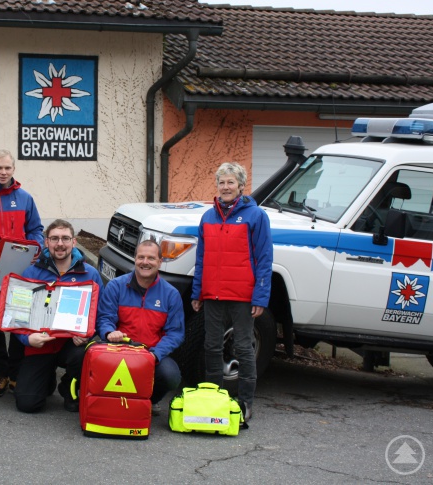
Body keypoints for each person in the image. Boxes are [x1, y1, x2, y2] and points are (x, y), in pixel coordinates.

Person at [191, 162, 272, 422]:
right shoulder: (208, 217)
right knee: (212, 346)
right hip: (212, 294)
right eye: (221, 183)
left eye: (230, 182)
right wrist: (197, 292)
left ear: (241, 186)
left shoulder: (256, 215)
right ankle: (214, 398)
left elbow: (264, 258)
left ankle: (245, 402)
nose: (225, 187)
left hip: (243, 295)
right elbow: (201, 259)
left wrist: (260, 297)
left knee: (243, 348)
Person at [0, 150, 43, 398]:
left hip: (20, 276)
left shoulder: (25, 198)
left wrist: (34, 250)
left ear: (13, 169)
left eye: (7, 168)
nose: (3, 172)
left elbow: (36, 230)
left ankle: (16, 373)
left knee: (17, 323)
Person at [15, 219, 103, 413]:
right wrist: (26, 338)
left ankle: (69, 386)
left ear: (74, 241)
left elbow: (100, 312)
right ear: (46, 242)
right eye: (54, 239)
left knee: (84, 354)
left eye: (65, 238)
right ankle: (46, 380)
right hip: (41, 343)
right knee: (28, 404)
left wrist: (88, 333)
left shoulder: (90, 274)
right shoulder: (31, 272)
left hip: (72, 345)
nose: (60, 244)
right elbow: (18, 314)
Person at [96, 240, 184, 415]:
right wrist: (109, 332)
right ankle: (107, 403)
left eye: (151, 258)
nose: (145, 262)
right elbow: (104, 318)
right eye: (141, 257)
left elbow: (175, 333)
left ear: (160, 262)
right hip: (119, 351)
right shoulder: (116, 286)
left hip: (151, 354)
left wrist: (155, 355)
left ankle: (148, 401)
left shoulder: (171, 294)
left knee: (171, 376)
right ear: (134, 259)